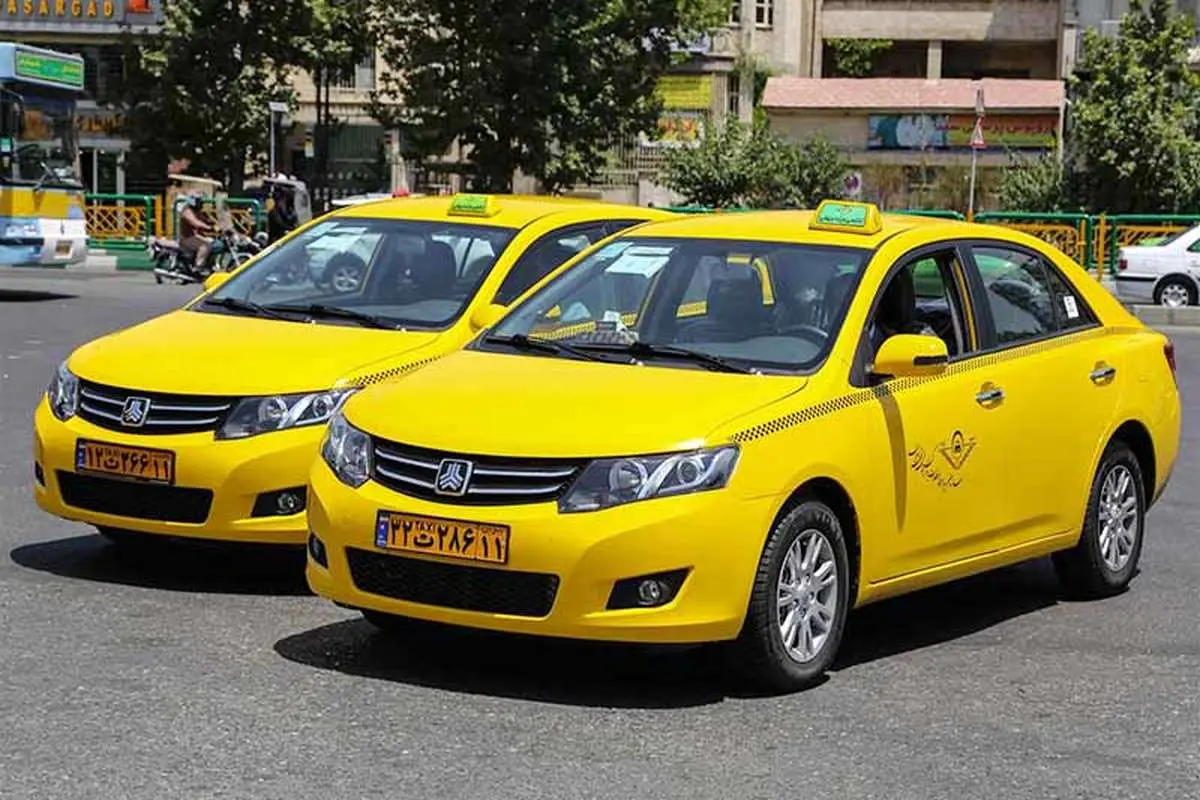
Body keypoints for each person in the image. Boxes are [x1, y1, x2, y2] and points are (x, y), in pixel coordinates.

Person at [179, 194, 217, 270]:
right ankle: (198, 267)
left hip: (197, 236)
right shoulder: (187, 211)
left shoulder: (197, 211)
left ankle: (210, 265)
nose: (201, 203)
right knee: (205, 246)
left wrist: (216, 224)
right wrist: (209, 227)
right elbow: (195, 222)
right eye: (199, 201)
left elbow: (206, 219)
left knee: (214, 242)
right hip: (188, 238)